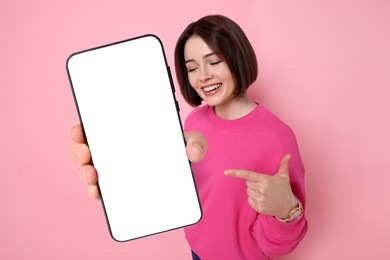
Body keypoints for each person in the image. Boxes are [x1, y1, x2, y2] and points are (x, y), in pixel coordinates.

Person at [70, 14, 307, 260]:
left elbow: (278, 246)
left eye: (214, 62)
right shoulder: (194, 121)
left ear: (238, 58)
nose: (202, 76)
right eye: (192, 68)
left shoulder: (277, 137)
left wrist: (285, 212)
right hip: (197, 252)